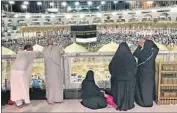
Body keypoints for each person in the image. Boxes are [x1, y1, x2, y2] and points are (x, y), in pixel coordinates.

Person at [109, 42, 137, 111]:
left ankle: (118, 104)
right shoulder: (131, 58)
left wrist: (115, 75)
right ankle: (128, 104)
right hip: (129, 80)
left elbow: (111, 67)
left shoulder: (116, 57)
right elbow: (135, 68)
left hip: (118, 80)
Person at [133, 40, 159, 107]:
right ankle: (149, 100)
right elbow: (157, 48)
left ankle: (143, 101)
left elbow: (135, 53)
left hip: (142, 73)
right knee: (149, 87)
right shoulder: (154, 52)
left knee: (142, 87)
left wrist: (139, 46)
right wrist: (151, 44)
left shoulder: (143, 52)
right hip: (151, 72)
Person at [42, 39, 65, 104]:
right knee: (57, 84)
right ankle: (58, 99)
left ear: (47, 43)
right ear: (53, 43)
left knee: (50, 85)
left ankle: (51, 99)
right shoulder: (57, 48)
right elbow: (63, 52)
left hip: (49, 70)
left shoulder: (44, 49)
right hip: (56, 70)